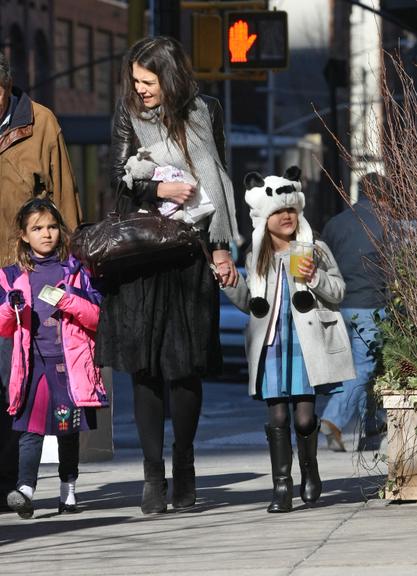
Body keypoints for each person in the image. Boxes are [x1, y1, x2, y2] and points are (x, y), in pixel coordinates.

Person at [95, 36, 239, 514]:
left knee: (185, 368)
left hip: (190, 256)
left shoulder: (208, 110)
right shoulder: (126, 113)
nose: (140, 91)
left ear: (170, 78)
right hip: (142, 257)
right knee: (146, 369)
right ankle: (152, 477)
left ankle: (185, 465)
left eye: (149, 82)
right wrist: (159, 181)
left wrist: (221, 250)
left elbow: (220, 172)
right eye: (135, 82)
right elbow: (117, 174)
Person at [224, 168, 355, 513]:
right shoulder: (256, 257)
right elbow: (248, 305)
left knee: (303, 419)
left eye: (291, 210)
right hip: (271, 345)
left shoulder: (316, 249)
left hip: (306, 343)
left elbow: (339, 291)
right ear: (263, 218)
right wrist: (228, 282)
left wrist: (315, 278)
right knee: (278, 417)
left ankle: (309, 472)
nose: (286, 216)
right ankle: (281, 486)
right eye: (278, 212)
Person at [0, 51, 82, 512]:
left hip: (24, 281)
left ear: (7, 87)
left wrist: (74, 271)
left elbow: (65, 198)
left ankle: (14, 483)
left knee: (15, 384)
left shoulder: (41, 123)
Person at [0, 198, 108, 519]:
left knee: (67, 429)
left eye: (51, 227)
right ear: (23, 235)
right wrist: (12, 307)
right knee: (30, 430)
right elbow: (3, 326)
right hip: (33, 366)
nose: (46, 234)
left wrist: (68, 301)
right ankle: (25, 490)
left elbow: (97, 318)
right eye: (37, 228)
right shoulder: (11, 276)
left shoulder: (77, 271)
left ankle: (68, 490)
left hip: (68, 366)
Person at [320, 173, 387, 451]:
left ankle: (372, 430)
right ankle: (333, 419)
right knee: (366, 368)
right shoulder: (384, 226)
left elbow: (322, 261)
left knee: (365, 370)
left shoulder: (335, 224)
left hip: (338, 306)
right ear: (384, 198)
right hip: (370, 306)